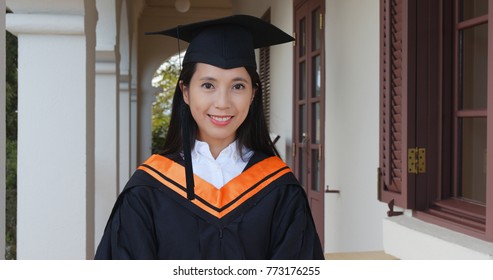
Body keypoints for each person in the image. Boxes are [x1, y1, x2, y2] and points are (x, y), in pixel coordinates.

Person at [95, 14, 324, 260]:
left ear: (253, 94)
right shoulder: (147, 190)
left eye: (238, 86)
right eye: (208, 85)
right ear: (185, 91)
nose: (223, 103)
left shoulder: (280, 190)